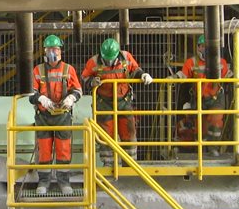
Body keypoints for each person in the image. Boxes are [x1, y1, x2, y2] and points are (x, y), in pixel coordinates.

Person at [81, 37, 153, 166]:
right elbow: (85, 77)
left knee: (128, 132)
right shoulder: (93, 62)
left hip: (124, 101)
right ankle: (109, 165)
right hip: (104, 103)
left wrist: (143, 75)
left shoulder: (126, 58)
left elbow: (135, 69)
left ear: (117, 54)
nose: (108, 61)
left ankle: (130, 164)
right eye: (106, 59)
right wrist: (92, 82)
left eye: (111, 59)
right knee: (105, 135)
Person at [28, 34, 82, 196]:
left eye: (56, 49)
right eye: (50, 49)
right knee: (44, 150)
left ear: (60, 50)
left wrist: (71, 98)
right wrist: (41, 99)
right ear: (45, 51)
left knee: (63, 149)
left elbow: (78, 90)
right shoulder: (38, 70)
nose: (53, 52)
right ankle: (43, 181)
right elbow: (31, 93)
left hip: (63, 116)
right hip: (43, 116)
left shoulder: (68, 69)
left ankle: (63, 181)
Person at [174, 34, 230, 156]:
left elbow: (229, 75)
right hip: (199, 99)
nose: (204, 49)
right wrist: (172, 78)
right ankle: (201, 153)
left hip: (215, 99)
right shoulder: (191, 62)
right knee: (200, 129)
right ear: (198, 47)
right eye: (202, 46)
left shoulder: (221, 62)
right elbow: (183, 74)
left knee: (215, 122)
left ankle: (213, 148)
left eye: (207, 46)